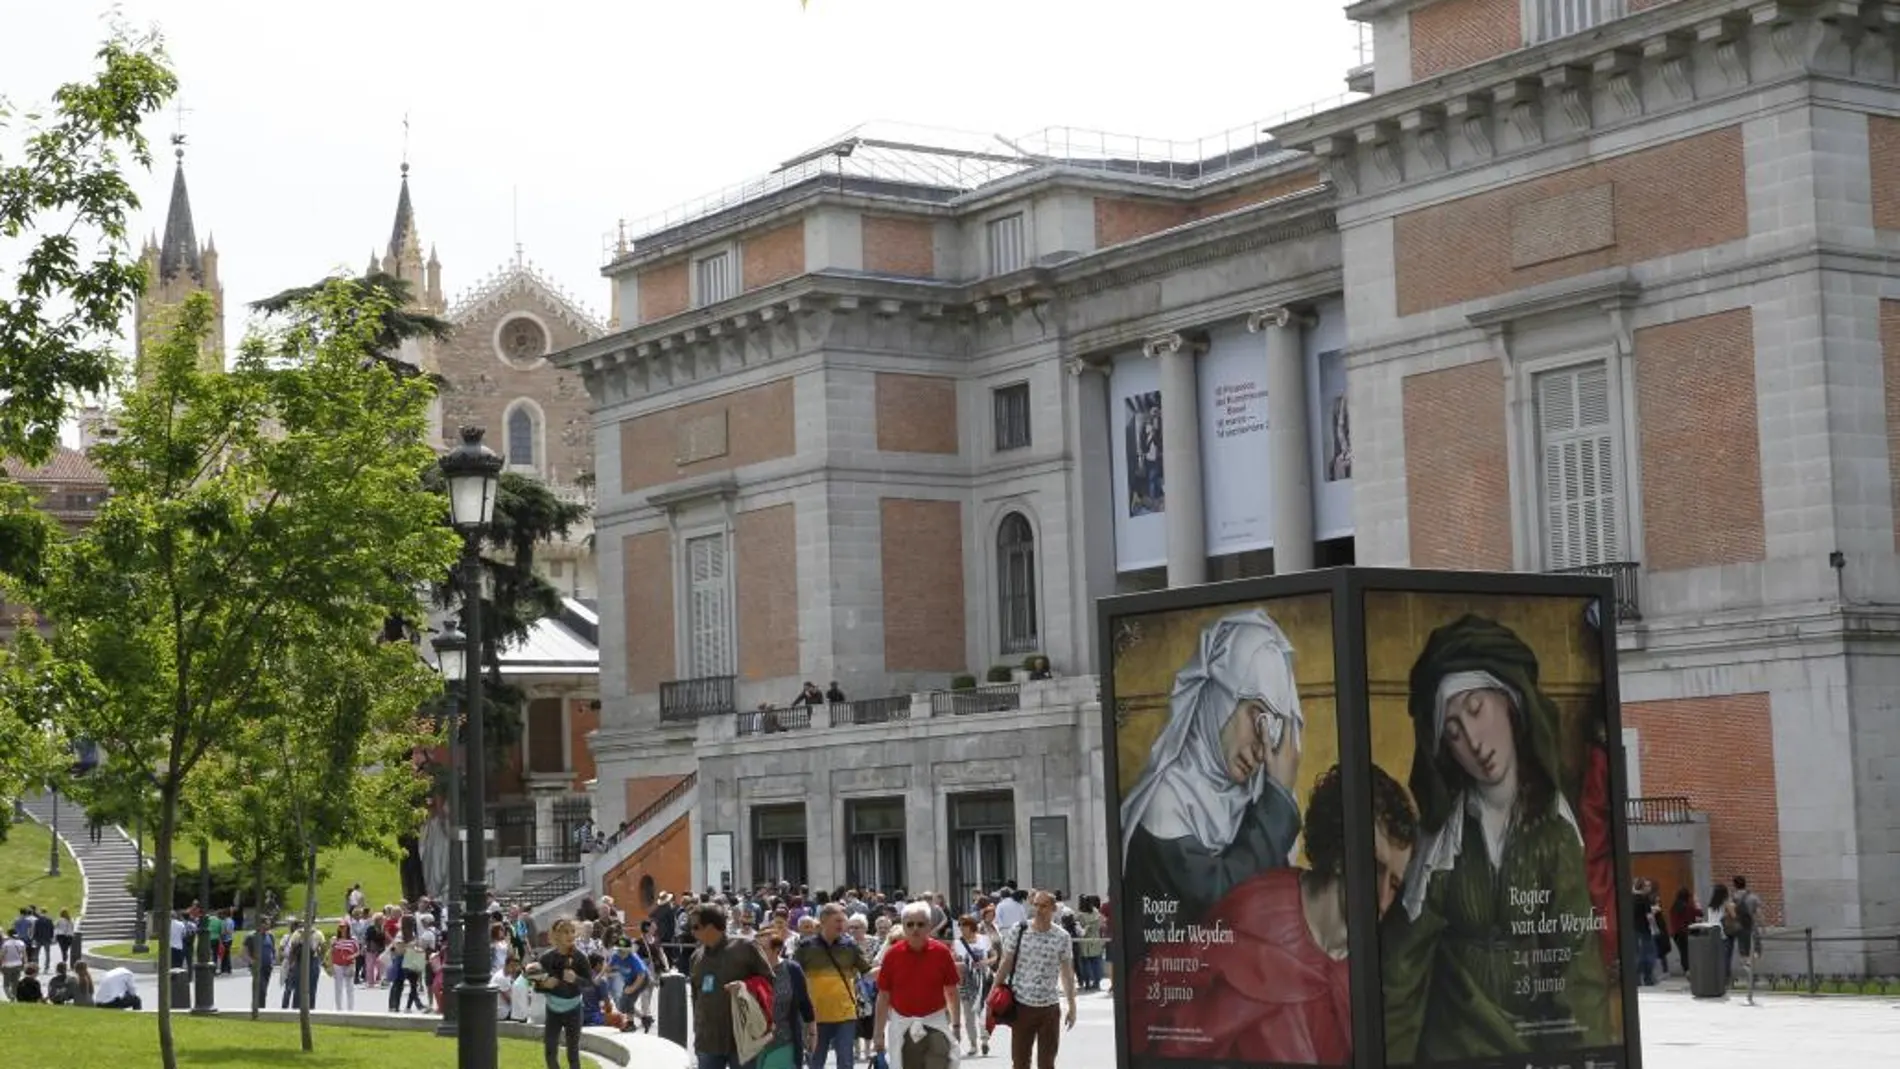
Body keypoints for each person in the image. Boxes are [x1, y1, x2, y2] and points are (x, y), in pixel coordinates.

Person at [1381, 615, 1614, 1063]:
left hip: (1532, 1048)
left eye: (1475, 709)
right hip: (1451, 1049)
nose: (1472, 740)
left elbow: (1577, 971)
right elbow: (1401, 975)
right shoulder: (1441, 843)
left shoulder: (1553, 830)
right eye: (1452, 732)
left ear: (1509, 702)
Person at [1131, 764, 1418, 1063]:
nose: (1383, 898)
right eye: (1375, 869)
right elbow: (1183, 1035)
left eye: (1395, 885)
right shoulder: (1259, 915)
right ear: (1340, 853)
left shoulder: (1368, 962)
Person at [1118, 609, 1306, 967]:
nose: (1263, 749)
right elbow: (1221, 902)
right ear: (1219, 698)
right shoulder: (1168, 800)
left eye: (1275, 729)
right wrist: (1278, 800)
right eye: (1257, 717)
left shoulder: (1253, 800)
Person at [874, 901, 962, 1069]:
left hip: (935, 1024)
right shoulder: (892, 955)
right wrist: (878, 1034)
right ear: (903, 927)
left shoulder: (942, 952)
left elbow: (952, 991)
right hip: (903, 1027)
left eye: (920, 924)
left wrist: (956, 1025)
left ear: (929, 926)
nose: (915, 928)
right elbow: (883, 996)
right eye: (910, 924)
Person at [994, 891, 1077, 1069]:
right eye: (1036, 905)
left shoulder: (1062, 937)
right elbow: (1006, 962)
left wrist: (1072, 1006)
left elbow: (1067, 973)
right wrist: (993, 992)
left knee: (1047, 1063)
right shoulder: (1020, 929)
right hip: (1022, 1006)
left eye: (1044, 906)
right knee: (1020, 1062)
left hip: (1049, 1009)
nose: (1038, 909)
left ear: (1053, 909)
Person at [687, 902, 775, 1069]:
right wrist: (697, 1031)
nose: (692, 931)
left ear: (711, 927)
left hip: (742, 1038)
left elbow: (769, 981)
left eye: (696, 926)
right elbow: (695, 997)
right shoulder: (696, 957)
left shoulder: (745, 947)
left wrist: (745, 986)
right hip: (708, 1041)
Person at [793, 902, 871, 1069]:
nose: (842, 925)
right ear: (823, 921)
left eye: (843, 920)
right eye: (837, 920)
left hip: (845, 1015)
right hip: (815, 1017)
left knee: (846, 1062)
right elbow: (792, 977)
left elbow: (868, 972)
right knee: (816, 1062)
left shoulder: (850, 946)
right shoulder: (805, 948)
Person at [536, 918, 592, 1069]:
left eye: (572, 931)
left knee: (572, 1053)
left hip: (574, 1009)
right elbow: (535, 985)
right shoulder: (546, 958)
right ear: (556, 935)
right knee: (550, 1051)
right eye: (565, 932)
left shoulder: (580, 957)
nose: (570, 935)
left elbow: (589, 984)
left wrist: (576, 979)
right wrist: (543, 984)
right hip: (553, 1010)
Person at [761, 932, 817, 1068]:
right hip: (756, 1045)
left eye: (763, 949)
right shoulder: (751, 971)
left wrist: (812, 1033)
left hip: (786, 1040)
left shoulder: (792, 969)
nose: (757, 953)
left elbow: (805, 1003)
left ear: (776, 950)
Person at [950, 915, 992, 1058]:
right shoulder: (957, 943)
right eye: (960, 925)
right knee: (968, 1015)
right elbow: (953, 961)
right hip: (965, 982)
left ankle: (984, 1039)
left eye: (964, 925)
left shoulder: (983, 940)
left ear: (971, 926)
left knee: (983, 1011)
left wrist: (985, 962)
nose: (961, 928)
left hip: (982, 980)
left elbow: (995, 956)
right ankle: (973, 1044)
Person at [330, 922, 359, 1010]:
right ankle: (339, 1009)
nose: (342, 929)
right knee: (338, 987)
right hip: (337, 964)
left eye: (344, 927)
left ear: (348, 928)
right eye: (340, 927)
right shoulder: (335, 939)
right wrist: (331, 966)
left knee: (349, 987)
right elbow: (331, 952)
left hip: (349, 964)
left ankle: (350, 1009)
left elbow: (357, 952)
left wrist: (351, 957)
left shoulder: (353, 939)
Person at [1, 925, 25, 1000]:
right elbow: (24, 955)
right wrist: (24, 964)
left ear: (8, 935)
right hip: (18, 964)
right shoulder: (21, 943)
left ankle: (9, 995)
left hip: (7, 965)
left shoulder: (6, 944)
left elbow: (2, 955)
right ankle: (13, 996)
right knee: (15, 983)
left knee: (6, 984)